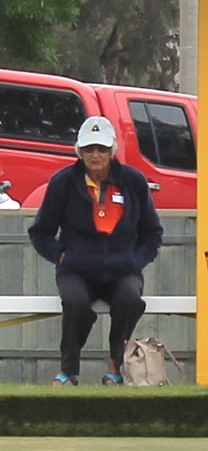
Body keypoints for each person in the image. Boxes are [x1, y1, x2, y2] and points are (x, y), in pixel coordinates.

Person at [28, 116, 163, 386]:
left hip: (122, 270)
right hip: (76, 270)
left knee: (129, 299)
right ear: (79, 151)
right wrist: (61, 255)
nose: (95, 155)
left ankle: (116, 364)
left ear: (111, 150)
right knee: (75, 302)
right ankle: (68, 371)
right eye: (89, 149)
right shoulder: (63, 182)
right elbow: (40, 232)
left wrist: (133, 261)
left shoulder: (133, 181)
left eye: (101, 148)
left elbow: (152, 233)